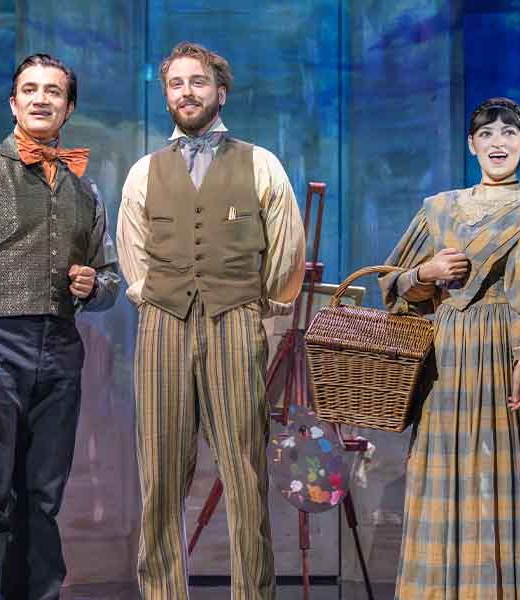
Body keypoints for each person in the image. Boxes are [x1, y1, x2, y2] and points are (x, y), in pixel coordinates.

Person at [116, 41, 305, 600]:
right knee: (161, 478)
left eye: (197, 82)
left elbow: (286, 249)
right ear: (167, 94)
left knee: (245, 475)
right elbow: (134, 254)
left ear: (219, 91)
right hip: (164, 327)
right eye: (176, 83)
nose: (186, 93)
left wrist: (254, 305)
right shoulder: (144, 172)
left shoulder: (260, 162)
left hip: (234, 323)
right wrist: (159, 300)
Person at [381, 97, 520, 599]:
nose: (499, 142)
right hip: (448, 364)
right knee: (450, 473)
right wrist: (424, 274)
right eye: (487, 134)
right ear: (471, 145)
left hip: (510, 355)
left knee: (513, 472)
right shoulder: (439, 209)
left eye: (509, 133)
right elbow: (391, 283)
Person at [0, 53, 121, 599]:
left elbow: (110, 280)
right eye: (31, 89)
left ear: (68, 106)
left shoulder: (86, 192)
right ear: (13, 102)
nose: (42, 98)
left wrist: (93, 286)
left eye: (54, 91)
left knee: (42, 501)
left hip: (60, 351)